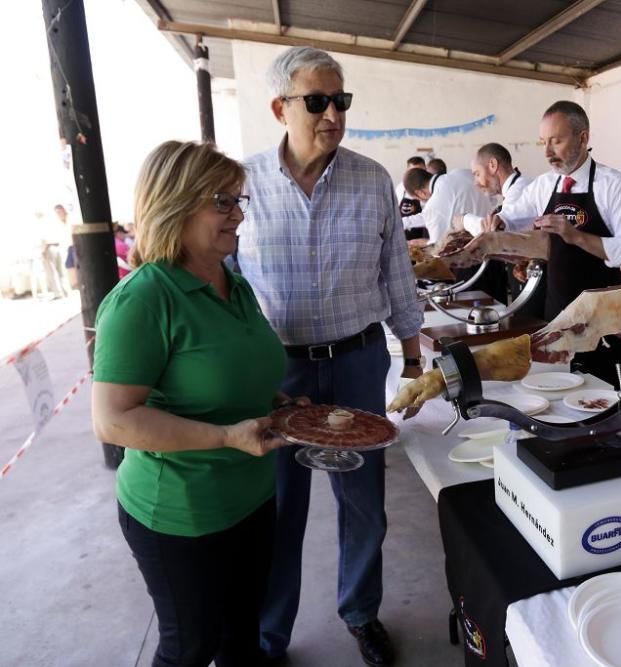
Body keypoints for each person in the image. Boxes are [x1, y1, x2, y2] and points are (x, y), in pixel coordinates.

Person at [237, 46, 423, 666]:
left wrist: (416, 356)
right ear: (279, 107)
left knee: (364, 502)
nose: (332, 115)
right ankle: (270, 635)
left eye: (339, 101)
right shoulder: (243, 184)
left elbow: (398, 272)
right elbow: (226, 280)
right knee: (280, 507)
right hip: (277, 369)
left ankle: (361, 613)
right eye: (316, 101)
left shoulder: (373, 179)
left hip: (357, 360)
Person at [91, 140, 292, 666]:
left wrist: (280, 402)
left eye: (238, 200)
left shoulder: (234, 284)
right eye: (221, 202)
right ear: (175, 205)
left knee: (241, 639)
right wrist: (226, 436)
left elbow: (233, 370)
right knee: (190, 647)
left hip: (251, 498)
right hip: (181, 515)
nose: (238, 214)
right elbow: (113, 420)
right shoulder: (142, 299)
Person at [484, 100, 621, 381]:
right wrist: (500, 220)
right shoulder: (545, 185)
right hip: (556, 311)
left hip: (601, 318)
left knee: (600, 399)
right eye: (543, 142)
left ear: (583, 138)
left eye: (556, 141)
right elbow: (514, 213)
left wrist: (576, 236)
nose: (547, 152)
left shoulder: (613, 184)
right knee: (555, 392)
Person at [463, 142, 533, 303]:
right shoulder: (515, 189)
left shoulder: (520, 190)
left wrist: (464, 219)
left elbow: (494, 231)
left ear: (493, 165)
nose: (476, 182)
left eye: (477, 174)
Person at [402, 166, 493, 243]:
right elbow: (428, 216)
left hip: (475, 249)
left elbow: (437, 247)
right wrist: (403, 223)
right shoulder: (463, 172)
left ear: (421, 193)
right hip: (493, 230)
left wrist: (424, 243)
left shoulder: (433, 205)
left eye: (418, 199)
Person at [395, 157, 429, 241]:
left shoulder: (430, 189)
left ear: (426, 170)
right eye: (413, 172)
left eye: (420, 171)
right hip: (404, 235)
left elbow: (428, 216)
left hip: (425, 233)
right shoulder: (400, 188)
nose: (417, 176)